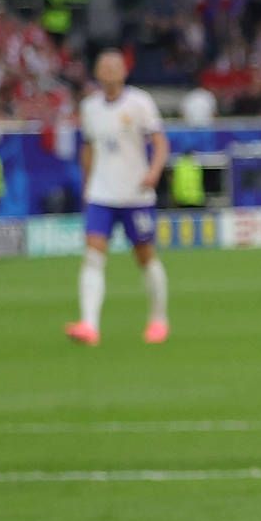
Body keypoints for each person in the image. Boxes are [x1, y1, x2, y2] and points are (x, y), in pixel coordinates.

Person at [67, 49, 172, 347]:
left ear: (125, 71)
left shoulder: (139, 102)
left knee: (145, 256)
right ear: (97, 73)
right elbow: (88, 148)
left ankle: (159, 319)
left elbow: (160, 142)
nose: (110, 71)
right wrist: (87, 186)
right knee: (93, 255)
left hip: (135, 194)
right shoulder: (90, 107)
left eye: (115, 66)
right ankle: (89, 325)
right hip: (101, 193)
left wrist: (154, 172)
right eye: (105, 66)